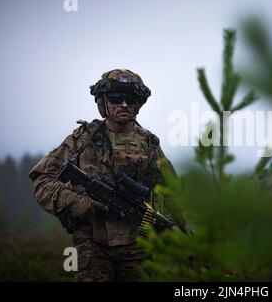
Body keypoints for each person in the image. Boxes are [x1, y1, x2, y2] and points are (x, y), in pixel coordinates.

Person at [29, 69, 185, 281]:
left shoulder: (149, 145)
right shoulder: (82, 140)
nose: (123, 104)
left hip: (138, 246)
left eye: (130, 99)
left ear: (138, 104)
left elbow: (172, 193)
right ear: (103, 102)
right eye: (116, 98)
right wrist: (76, 202)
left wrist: (184, 235)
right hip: (92, 244)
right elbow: (42, 180)